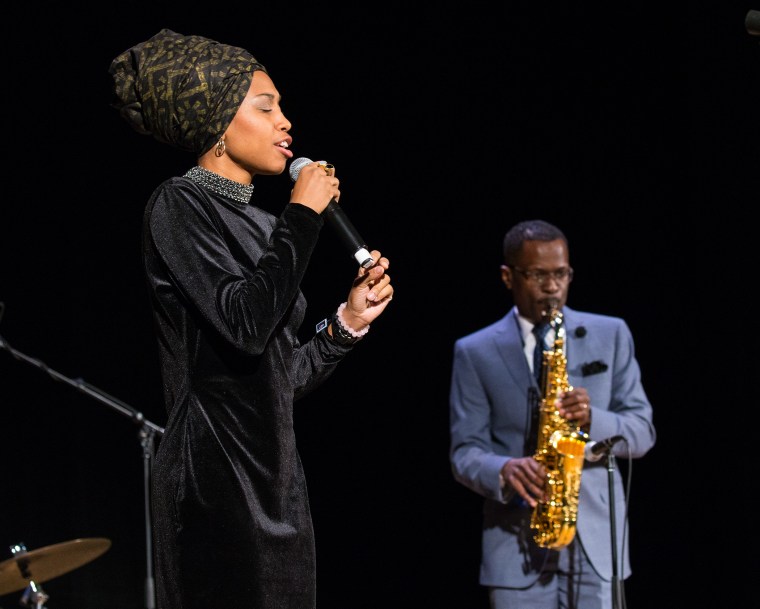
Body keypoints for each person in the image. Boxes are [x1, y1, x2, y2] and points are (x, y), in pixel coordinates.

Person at [108, 29, 393, 609]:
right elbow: (244, 322)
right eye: (266, 107)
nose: (286, 122)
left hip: (278, 485)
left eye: (283, 107)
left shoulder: (268, 227)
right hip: (214, 485)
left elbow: (274, 376)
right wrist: (304, 216)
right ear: (216, 123)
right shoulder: (178, 205)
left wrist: (346, 323)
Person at [448, 219, 655, 609]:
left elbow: (643, 430)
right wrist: (504, 468)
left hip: (598, 548)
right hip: (514, 548)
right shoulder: (474, 351)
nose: (552, 287)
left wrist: (597, 419)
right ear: (508, 277)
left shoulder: (612, 333)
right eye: (538, 275)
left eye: (561, 274)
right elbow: (464, 452)